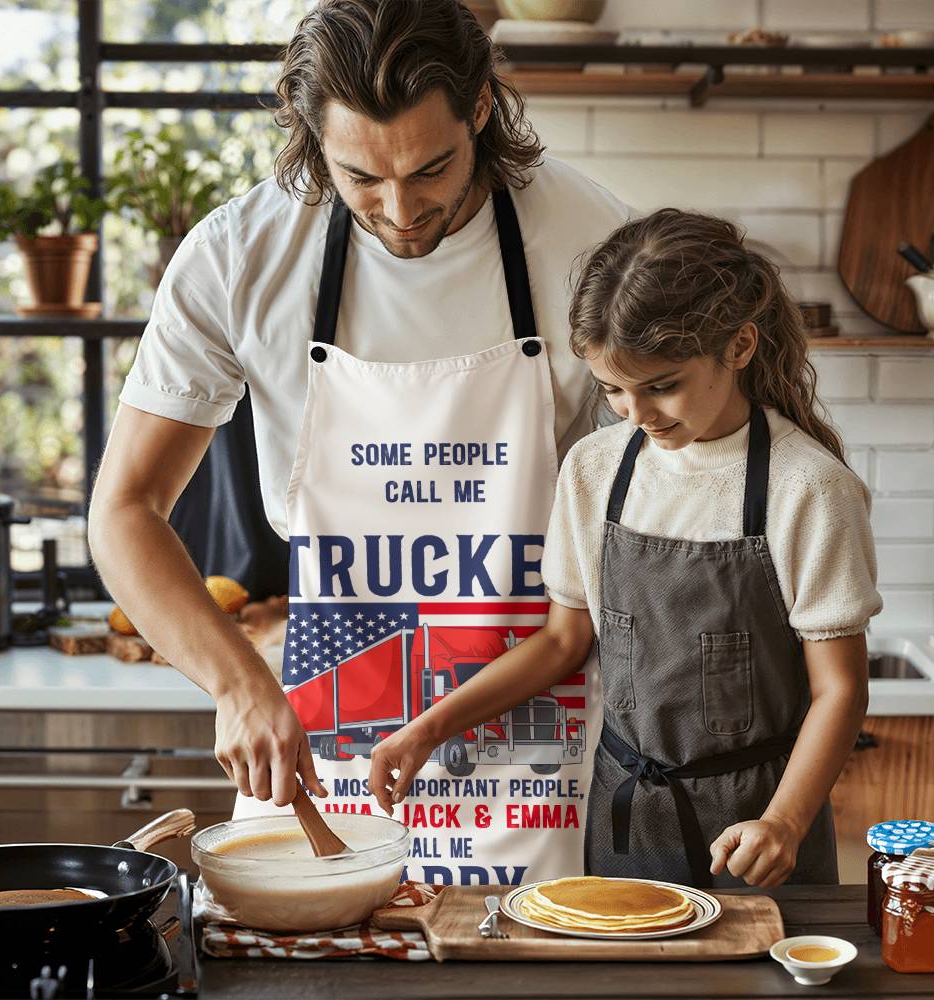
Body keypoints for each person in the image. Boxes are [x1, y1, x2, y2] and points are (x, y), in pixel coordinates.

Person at [88, 0, 632, 885]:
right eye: (360, 178)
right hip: (315, 737)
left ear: (483, 110)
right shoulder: (239, 256)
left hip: (540, 750)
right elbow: (123, 511)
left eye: (431, 170)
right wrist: (236, 686)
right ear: (311, 136)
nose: (401, 209)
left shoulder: (592, 243)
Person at [369, 208, 882, 888]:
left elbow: (840, 689)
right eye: (613, 389)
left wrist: (783, 822)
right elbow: (561, 644)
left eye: (661, 386)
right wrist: (428, 728)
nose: (635, 415)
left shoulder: (809, 486)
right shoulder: (595, 468)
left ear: (739, 346)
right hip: (625, 819)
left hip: (755, 829)